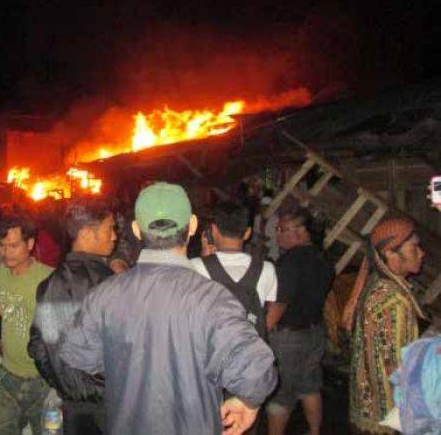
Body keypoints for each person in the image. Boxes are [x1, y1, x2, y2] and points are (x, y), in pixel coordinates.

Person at [59, 182, 277, 435]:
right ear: (193, 226)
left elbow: (77, 355)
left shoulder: (104, 295)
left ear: (136, 231)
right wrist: (247, 402)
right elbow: (257, 372)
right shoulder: (213, 299)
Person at [29, 197, 117, 434]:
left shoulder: (49, 285)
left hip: (72, 409)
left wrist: (63, 384)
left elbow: (38, 348)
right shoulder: (112, 286)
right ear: (88, 233)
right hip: (109, 409)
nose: (114, 236)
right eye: (110, 229)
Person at [341, 218, 425, 434]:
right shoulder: (393, 300)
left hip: (367, 407)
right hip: (387, 416)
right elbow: (396, 365)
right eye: (414, 247)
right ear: (390, 252)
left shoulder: (377, 285)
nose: (421, 253)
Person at [0, 212, 53, 435]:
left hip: (40, 380)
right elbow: (2, 298)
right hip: (7, 371)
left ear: (30, 244)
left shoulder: (49, 280)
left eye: (13, 246)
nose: (6, 253)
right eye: (2, 246)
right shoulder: (1, 271)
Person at [265, 208, 334, 435]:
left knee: (281, 395)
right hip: (314, 332)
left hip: (288, 338)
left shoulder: (290, 262)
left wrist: (262, 333)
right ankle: (314, 432)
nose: (278, 234)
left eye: (282, 229)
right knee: (310, 386)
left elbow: (279, 304)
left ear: (301, 232)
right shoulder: (322, 258)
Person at [190, 201, 277, 339]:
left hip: (213, 352)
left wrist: (205, 256)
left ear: (213, 230)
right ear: (247, 233)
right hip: (250, 353)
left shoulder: (195, 267)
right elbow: (267, 315)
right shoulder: (267, 269)